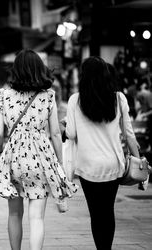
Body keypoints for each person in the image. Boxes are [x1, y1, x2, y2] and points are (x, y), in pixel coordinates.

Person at [0, 49, 77, 250]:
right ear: (39, 69)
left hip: (13, 157)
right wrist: (60, 164)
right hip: (41, 158)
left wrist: (1, 151)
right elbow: (56, 133)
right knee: (36, 217)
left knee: (14, 214)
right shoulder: (48, 96)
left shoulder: (3, 95)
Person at [64, 57, 139, 250]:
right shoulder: (118, 98)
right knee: (108, 212)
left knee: (96, 214)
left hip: (88, 166)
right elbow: (130, 135)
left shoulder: (75, 100)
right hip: (113, 165)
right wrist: (139, 160)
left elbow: (70, 134)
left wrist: (65, 126)